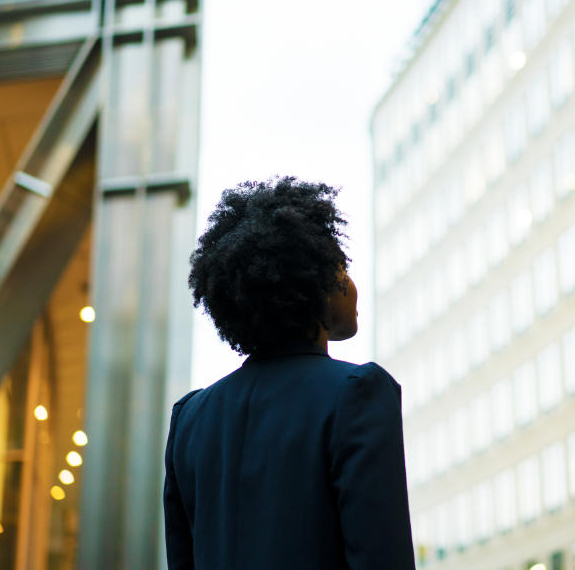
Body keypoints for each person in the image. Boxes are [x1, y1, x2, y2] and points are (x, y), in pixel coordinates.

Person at [164, 177, 416, 569]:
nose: (350, 284)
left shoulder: (190, 419)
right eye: (340, 268)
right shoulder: (357, 394)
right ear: (315, 283)